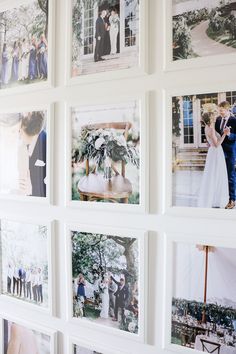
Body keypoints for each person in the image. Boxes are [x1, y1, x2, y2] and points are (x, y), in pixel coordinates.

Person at [198, 111, 229, 208]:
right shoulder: (211, 129)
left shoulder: (206, 128)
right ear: (210, 118)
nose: (215, 117)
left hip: (212, 152)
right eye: (213, 116)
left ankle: (214, 197)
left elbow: (210, 142)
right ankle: (216, 199)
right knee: (217, 174)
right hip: (216, 152)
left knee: (212, 174)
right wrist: (225, 133)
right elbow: (217, 144)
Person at [18, 111, 47, 197]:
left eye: (21, 131)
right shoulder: (23, 146)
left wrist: (31, 191)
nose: (19, 134)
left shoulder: (46, 143)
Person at [215, 101, 236, 209]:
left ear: (227, 110)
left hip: (230, 152)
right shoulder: (218, 120)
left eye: (222, 111)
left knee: (231, 176)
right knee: (220, 175)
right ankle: (221, 197)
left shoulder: (234, 120)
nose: (220, 112)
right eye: (219, 110)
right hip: (219, 151)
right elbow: (216, 133)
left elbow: (235, 136)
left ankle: (232, 200)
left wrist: (230, 134)